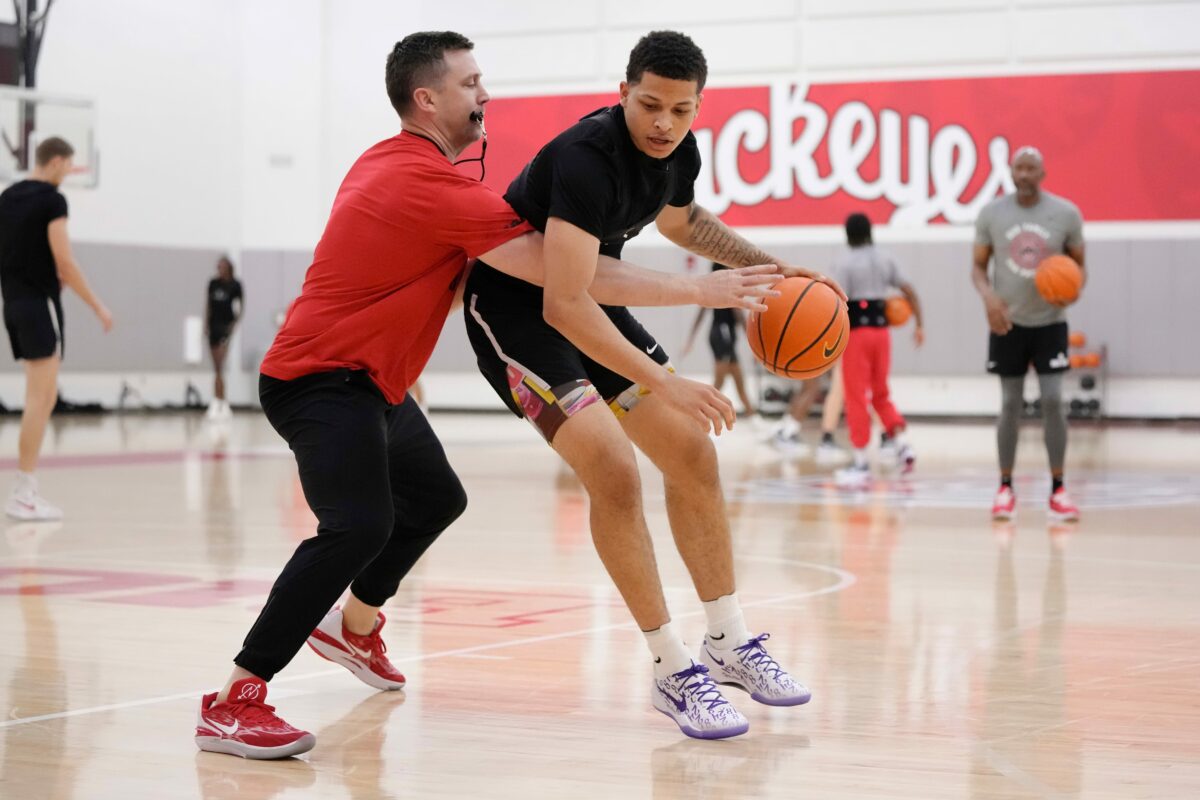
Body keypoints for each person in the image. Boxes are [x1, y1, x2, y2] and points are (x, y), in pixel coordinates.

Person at [193, 30, 781, 760]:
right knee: (359, 525)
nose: (485, 94)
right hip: (319, 377)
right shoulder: (430, 186)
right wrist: (702, 291)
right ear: (426, 98)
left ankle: (355, 628)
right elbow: (570, 281)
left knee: (437, 499)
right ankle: (233, 699)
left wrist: (762, 269)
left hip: (373, 381)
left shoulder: (397, 165)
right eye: (471, 83)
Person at [464, 30, 844, 740]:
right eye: (649, 105)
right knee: (614, 469)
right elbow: (563, 302)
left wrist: (776, 271)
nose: (664, 122)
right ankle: (671, 669)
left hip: (588, 296)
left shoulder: (679, 150)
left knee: (692, 455)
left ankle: (727, 642)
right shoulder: (587, 159)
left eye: (681, 108)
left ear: (697, 106)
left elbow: (683, 222)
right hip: (519, 310)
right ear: (622, 94)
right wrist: (666, 378)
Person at [0, 137, 113, 520]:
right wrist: (98, 305)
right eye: (67, 166)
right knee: (40, 400)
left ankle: (25, 490)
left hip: (13, 305)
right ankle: (23, 492)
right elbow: (64, 262)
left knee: (41, 399)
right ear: (55, 162)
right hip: (39, 305)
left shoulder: (8, 197)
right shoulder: (52, 199)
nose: (67, 174)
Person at [973, 146, 1084, 522]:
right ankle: (1005, 486)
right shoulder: (992, 213)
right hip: (1007, 322)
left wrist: (1069, 286)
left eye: (1031, 168)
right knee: (1009, 404)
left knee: (1053, 400)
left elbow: (1079, 269)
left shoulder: (1065, 214)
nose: (1024, 174)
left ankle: (1059, 488)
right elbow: (977, 267)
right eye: (1018, 168)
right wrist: (989, 298)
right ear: (1011, 172)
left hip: (1050, 322)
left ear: (1042, 173)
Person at [833, 213, 923, 488]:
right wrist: (920, 324)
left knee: (856, 395)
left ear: (848, 234)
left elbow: (837, 302)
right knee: (881, 392)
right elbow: (910, 290)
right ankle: (902, 445)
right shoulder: (886, 258)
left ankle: (860, 461)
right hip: (882, 333)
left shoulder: (844, 262)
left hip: (857, 333)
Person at [680, 262, 756, 416]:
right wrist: (754, 342)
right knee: (720, 380)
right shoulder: (727, 290)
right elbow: (739, 315)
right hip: (722, 334)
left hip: (721, 334)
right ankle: (703, 412)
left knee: (738, 376)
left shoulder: (712, 289)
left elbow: (700, 315)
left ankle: (751, 413)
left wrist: (690, 340)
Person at [768, 362, 849, 464]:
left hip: (805, 354)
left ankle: (787, 427)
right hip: (808, 353)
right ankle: (788, 432)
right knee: (812, 388)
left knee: (807, 388)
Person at [204, 255, 243, 420]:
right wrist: (206, 324)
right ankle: (217, 401)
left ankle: (222, 401)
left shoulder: (235, 285)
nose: (219, 269)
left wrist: (234, 325)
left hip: (225, 328)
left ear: (228, 267)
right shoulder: (213, 284)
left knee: (220, 364)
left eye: (222, 266)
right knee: (216, 367)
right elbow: (208, 305)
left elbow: (240, 307)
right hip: (213, 326)